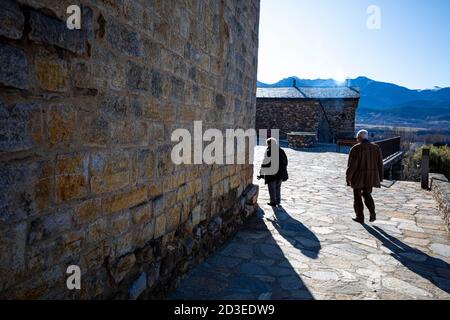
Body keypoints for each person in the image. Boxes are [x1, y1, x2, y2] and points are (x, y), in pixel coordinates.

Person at [346, 130, 384, 223]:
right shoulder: (376, 148)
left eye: (357, 138)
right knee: (367, 194)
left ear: (359, 138)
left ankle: (360, 217)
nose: (356, 139)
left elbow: (352, 166)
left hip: (358, 176)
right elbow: (380, 163)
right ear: (367, 137)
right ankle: (372, 213)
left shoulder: (356, 148)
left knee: (357, 197)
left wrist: (348, 178)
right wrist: (380, 177)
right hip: (371, 176)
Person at [257, 137, 288, 207]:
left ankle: (273, 201)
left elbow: (265, 163)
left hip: (272, 173)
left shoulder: (269, 151)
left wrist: (261, 174)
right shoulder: (281, 150)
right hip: (280, 173)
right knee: (277, 187)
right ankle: (278, 200)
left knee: (272, 187)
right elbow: (285, 161)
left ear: (269, 144)